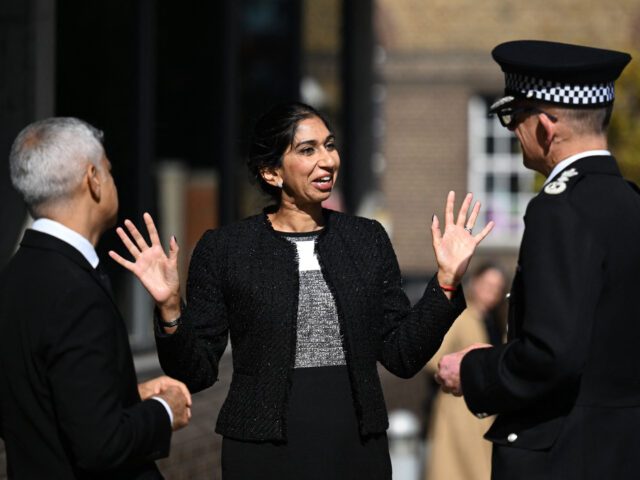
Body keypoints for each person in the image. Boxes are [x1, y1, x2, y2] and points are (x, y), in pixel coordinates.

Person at [110, 102, 493, 479]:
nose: (327, 160)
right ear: (271, 172)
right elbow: (195, 372)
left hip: (356, 449)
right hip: (262, 455)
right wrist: (170, 309)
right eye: (307, 150)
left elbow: (402, 355)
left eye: (329, 145)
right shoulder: (226, 249)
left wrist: (446, 281)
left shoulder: (366, 239)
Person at [435, 40, 639, 480]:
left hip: (565, 457)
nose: (512, 132)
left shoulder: (559, 208)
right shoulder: (630, 204)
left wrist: (473, 371)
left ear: (546, 125)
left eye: (514, 117)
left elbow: (553, 355)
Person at [0, 117, 192, 479]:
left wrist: (125, 395)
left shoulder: (14, 278)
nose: (111, 178)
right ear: (93, 179)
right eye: (109, 169)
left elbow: (37, 402)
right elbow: (101, 445)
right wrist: (165, 410)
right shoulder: (75, 292)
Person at [423, 264, 507, 480]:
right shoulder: (461, 316)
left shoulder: (496, 321)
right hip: (458, 408)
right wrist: (462, 369)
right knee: (457, 468)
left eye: (497, 287)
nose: (492, 291)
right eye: (488, 284)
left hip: (485, 409)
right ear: (475, 282)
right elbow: (434, 358)